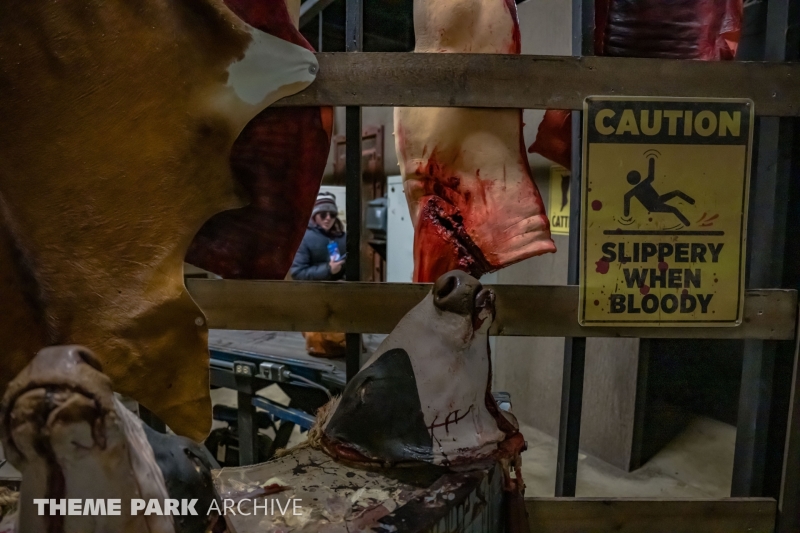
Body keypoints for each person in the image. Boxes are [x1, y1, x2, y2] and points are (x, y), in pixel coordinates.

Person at [290, 192, 347, 281]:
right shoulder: (303, 238)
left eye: (332, 214)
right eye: (323, 214)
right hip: (315, 289)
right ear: (314, 216)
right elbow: (297, 273)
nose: (328, 218)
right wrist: (328, 269)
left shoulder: (342, 237)